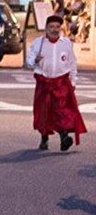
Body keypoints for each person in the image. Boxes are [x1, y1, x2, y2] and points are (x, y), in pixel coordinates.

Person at [27, 15, 87, 150]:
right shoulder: (38, 43)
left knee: (62, 111)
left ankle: (64, 137)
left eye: (57, 27)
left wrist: (73, 80)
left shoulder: (66, 43)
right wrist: (35, 60)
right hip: (44, 82)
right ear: (46, 28)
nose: (54, 30)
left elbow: (72, 63)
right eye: (51, 27)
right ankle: (44, 138)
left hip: (61, 83)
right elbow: (29, 62)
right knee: (44, 111)